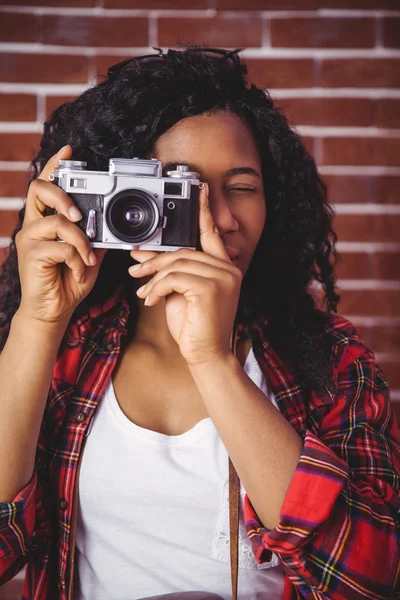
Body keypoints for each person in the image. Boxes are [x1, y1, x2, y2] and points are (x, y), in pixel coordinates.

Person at [0, 46, 398, 600]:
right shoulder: (65, 349)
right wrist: (37, 322)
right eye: (181, 190)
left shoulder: (330, 359)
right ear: (125, 204)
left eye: (242, 187)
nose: (224, 219)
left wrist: (215, 362)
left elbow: (368, 579)